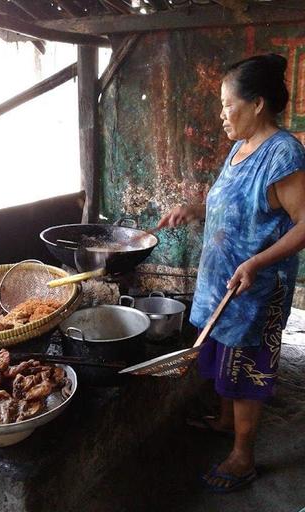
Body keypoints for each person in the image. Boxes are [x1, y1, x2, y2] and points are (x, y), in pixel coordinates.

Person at [158, 53, 305, 493]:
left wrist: (257, 262)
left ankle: (243, 457)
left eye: (227, 104)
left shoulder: (285, 154)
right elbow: (233, 206)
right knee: (224, 357)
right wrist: (195, 209)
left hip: (257, 287)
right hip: (222, 281)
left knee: (246, 370)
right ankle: (225, 423)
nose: (222, 114)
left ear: (257, 104)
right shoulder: (239, 148)